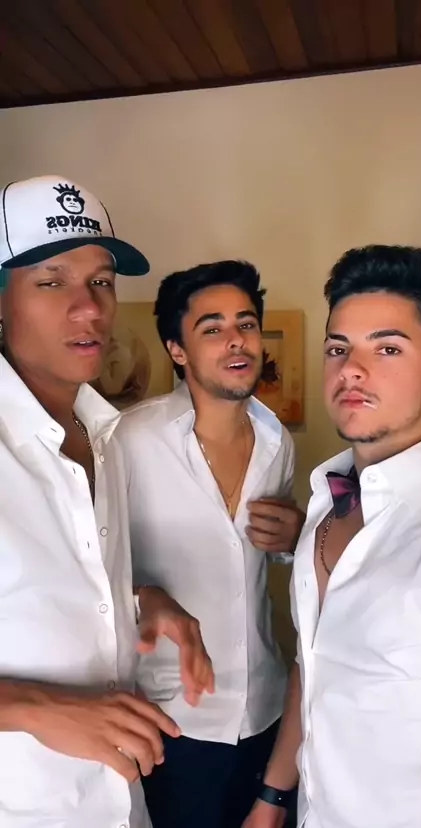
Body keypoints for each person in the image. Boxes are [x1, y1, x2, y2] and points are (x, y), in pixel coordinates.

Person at [0, 175, 213, 828]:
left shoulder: (104, 434)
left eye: (101, 280)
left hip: (119, 804)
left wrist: (141, 598)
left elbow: (49, 589)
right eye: (52, 281)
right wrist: (35, 708)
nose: (89, 308)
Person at [244, 244, 421, 828]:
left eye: (388, 348)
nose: (351, 368)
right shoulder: (325, 506)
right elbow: (312, 665)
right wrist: (273, 798)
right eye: (338, 348)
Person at [116, 260, 305, 828]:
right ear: (177, 350)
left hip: (266, 712)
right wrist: (144, 596)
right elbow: (90, 564)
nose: (235, 340)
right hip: (171, 720)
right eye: (212, 328)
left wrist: (295, 538)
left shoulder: (277, 441)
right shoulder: (128, 440)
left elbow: (273, 554)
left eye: (245, 324)